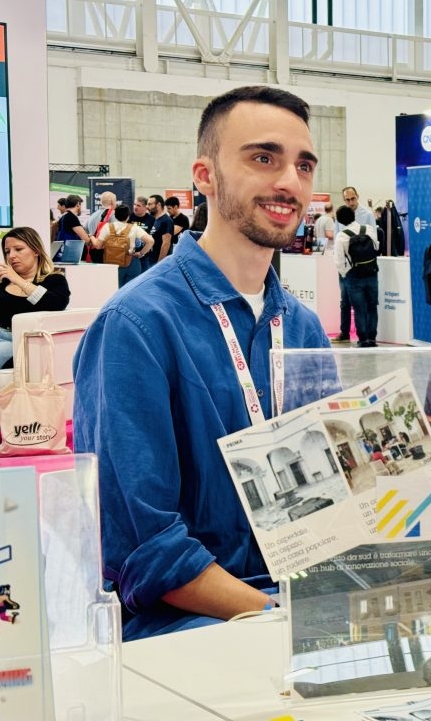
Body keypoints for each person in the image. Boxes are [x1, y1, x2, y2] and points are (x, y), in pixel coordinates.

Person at [73, 85, 336, 641]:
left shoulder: (304, 329)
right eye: (263, 158)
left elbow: (335, 504)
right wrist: (281, 621)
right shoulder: (137, 325)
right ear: (205, 175)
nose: (290, 181)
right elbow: (146, 551)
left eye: (304, 165)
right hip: (193, 628)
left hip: (305, 605)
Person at [0, 227, 71, 417]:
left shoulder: (53, 280)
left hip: (12, 341)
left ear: (36, 250)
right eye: (8, 251)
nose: (12, 256)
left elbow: (55, 303)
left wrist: (17, 280)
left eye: (18, 249)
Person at [334, 203, 379, 348]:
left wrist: (345, 274)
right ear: (354, 216)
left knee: (359, 309)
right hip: (372, 273)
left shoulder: (341, 236)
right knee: (372, 306)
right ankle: (372, 339)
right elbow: (376, 246)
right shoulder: (369, 229)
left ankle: (363, 340)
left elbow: (339, 261)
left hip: (354, 276)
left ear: (340, 221)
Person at [93, 202, 154, 287]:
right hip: (131, 262)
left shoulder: (107, 227)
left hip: (112, 263)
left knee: (113, 290)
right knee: (129, 291)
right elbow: (150, 241)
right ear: (128, 216)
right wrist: (141, 253)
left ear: (115, 215)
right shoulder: (134, 228)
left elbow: (98, 246)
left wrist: (91, 237)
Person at [146, 194, 175, 264]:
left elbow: (166, 244)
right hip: (151, 259)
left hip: (159, 262)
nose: (147, 207)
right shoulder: (155, 220)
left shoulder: (166, 221)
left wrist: (159, 263)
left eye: (150, 204)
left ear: (158, 205)